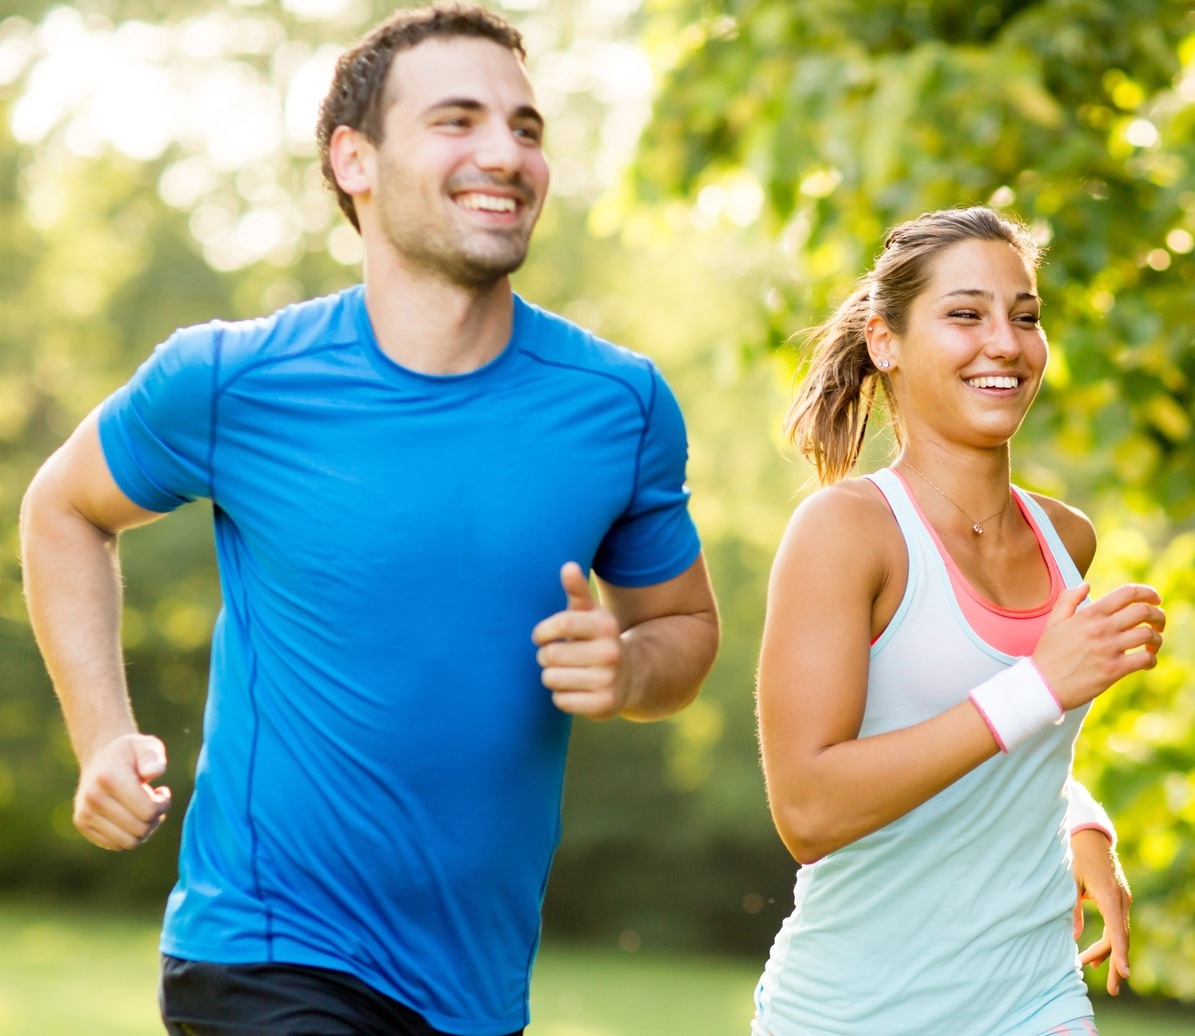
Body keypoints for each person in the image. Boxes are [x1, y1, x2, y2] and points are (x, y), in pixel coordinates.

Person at [19, 5, 719, 1035]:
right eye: (458, 120)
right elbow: (63, 507)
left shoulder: (618, 405)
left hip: (475, 988)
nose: (506, 153)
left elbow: (684, 631)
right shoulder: (230, 380)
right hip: (265, 949)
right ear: (355, 158)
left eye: (526, 129)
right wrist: (102, 737)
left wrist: (627, 671)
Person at [751, 207, 1164, 1035]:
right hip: (850, 1012)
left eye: (1025, 316)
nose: (1005, 344)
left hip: (1032, 998)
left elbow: (990, 741)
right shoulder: (846, 532)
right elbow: (809, 811)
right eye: (964, 315)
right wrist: (1039, 683)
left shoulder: (1064, 539)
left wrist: (1080, 818)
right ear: (884, 341)